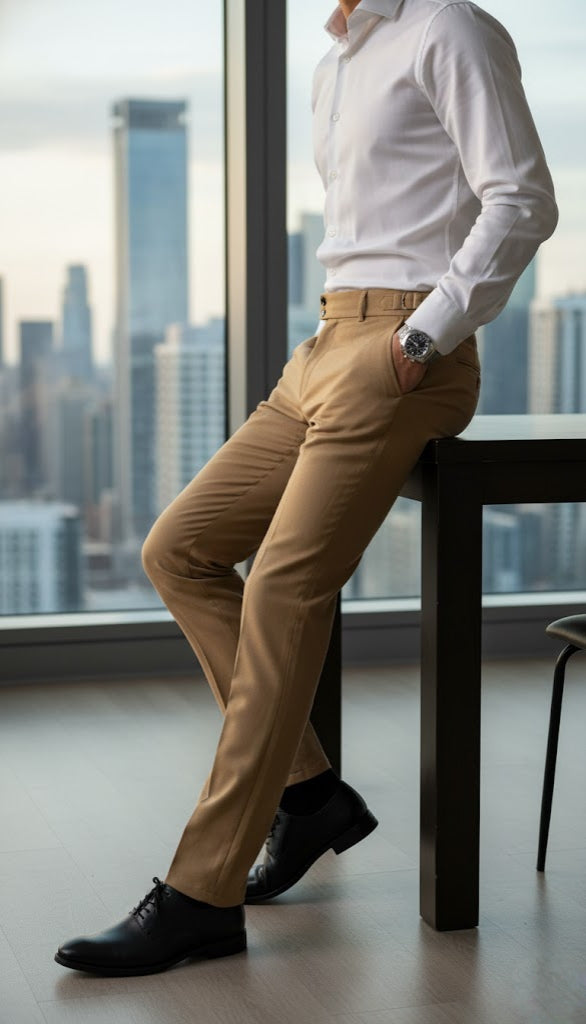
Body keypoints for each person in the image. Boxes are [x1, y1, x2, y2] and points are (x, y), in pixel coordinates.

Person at [55, 0, 557, 975]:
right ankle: (310, 794)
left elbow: (522, 197)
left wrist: (424, 337)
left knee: (286, 587)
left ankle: (200, 892)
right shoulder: (335, 59)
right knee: (179, 548)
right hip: (322, 343)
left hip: (407, 346)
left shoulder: (448, 27)